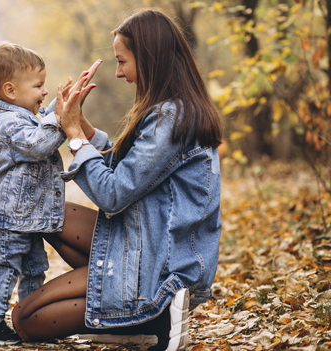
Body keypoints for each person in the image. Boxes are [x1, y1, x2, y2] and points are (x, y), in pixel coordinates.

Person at [12, 9, 223, 351]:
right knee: (44, 210)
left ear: (149, 57)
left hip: (159, 269)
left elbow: (112, 193)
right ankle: (137, 325)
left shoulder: (172, 116)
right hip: (144, 245)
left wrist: (75, 134)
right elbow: (128, 169)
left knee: (25, 320)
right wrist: (80, 125)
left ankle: (154, 315)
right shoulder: (172, 110)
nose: (119, 72)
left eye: (122, 61)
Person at [0, 42, 76, 345]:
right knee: (7, 269)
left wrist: (61, 107)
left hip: (26, 218)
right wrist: (59, 120)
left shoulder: (29, 116)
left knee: (35, 268)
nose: (43, 92)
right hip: (8, 218)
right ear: (10, 91)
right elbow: (38, 145)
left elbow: (44, 123)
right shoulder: (10, 122)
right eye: (38, 85)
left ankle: (32, 322)